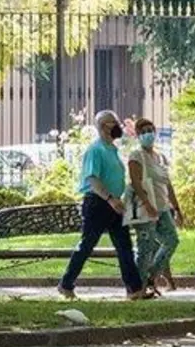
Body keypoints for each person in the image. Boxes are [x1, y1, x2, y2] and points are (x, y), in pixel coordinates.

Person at [59, 110, 146, 301]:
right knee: (87, 245)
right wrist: (110, 199)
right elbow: (92, 179)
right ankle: (66, 284)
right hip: (99, 203)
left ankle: (135, 289)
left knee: (124, 246)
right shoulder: (95, 150)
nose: (117, 126)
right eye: (112, 123)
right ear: (102, 127)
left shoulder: (111, 149)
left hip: (114, 203)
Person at [128, 118, 183, 293]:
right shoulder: (136, 156)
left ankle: (152, 275)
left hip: (163, 207)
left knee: (172, 240)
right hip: (145, 208)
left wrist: (177, 208)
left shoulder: (160, 157)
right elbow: (135, 182)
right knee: (145, 247)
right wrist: (147, 203)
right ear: (137, 135)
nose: (148, 134)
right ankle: (139, 286)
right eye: (143, 132)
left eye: (150, 130)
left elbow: (168, 184)